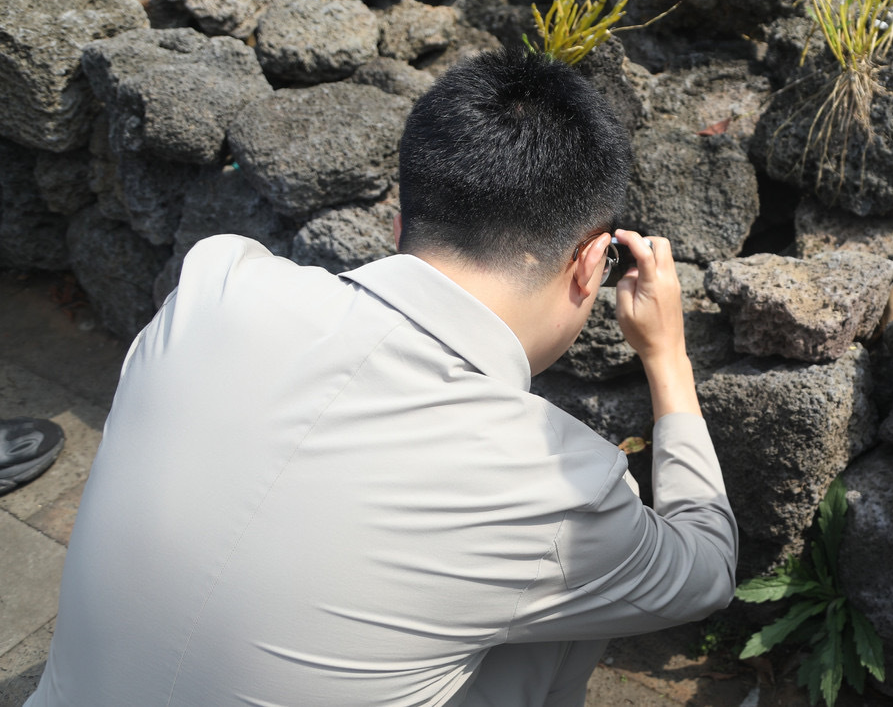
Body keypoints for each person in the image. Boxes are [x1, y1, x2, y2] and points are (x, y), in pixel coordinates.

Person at [27, 49, 737, 707]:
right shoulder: (560, 488)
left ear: (400, 220)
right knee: (574, 603)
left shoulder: (217, 287)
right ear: (589, 266)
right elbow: (703, 570)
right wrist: (667, 358)